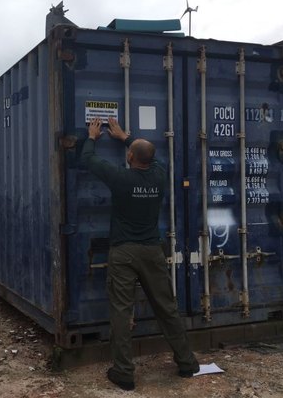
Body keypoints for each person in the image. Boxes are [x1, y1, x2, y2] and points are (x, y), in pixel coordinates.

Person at [81, 117, 199, 391]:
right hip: (151, 251)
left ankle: (123, 372)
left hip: (123, 252)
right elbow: (148, 155)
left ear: (131, 157)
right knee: (166, 307)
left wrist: (92, 137)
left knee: (122, 312)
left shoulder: (121, 178)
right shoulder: (159, 174)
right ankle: (187, 363)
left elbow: (88, 159)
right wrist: (126, 137)